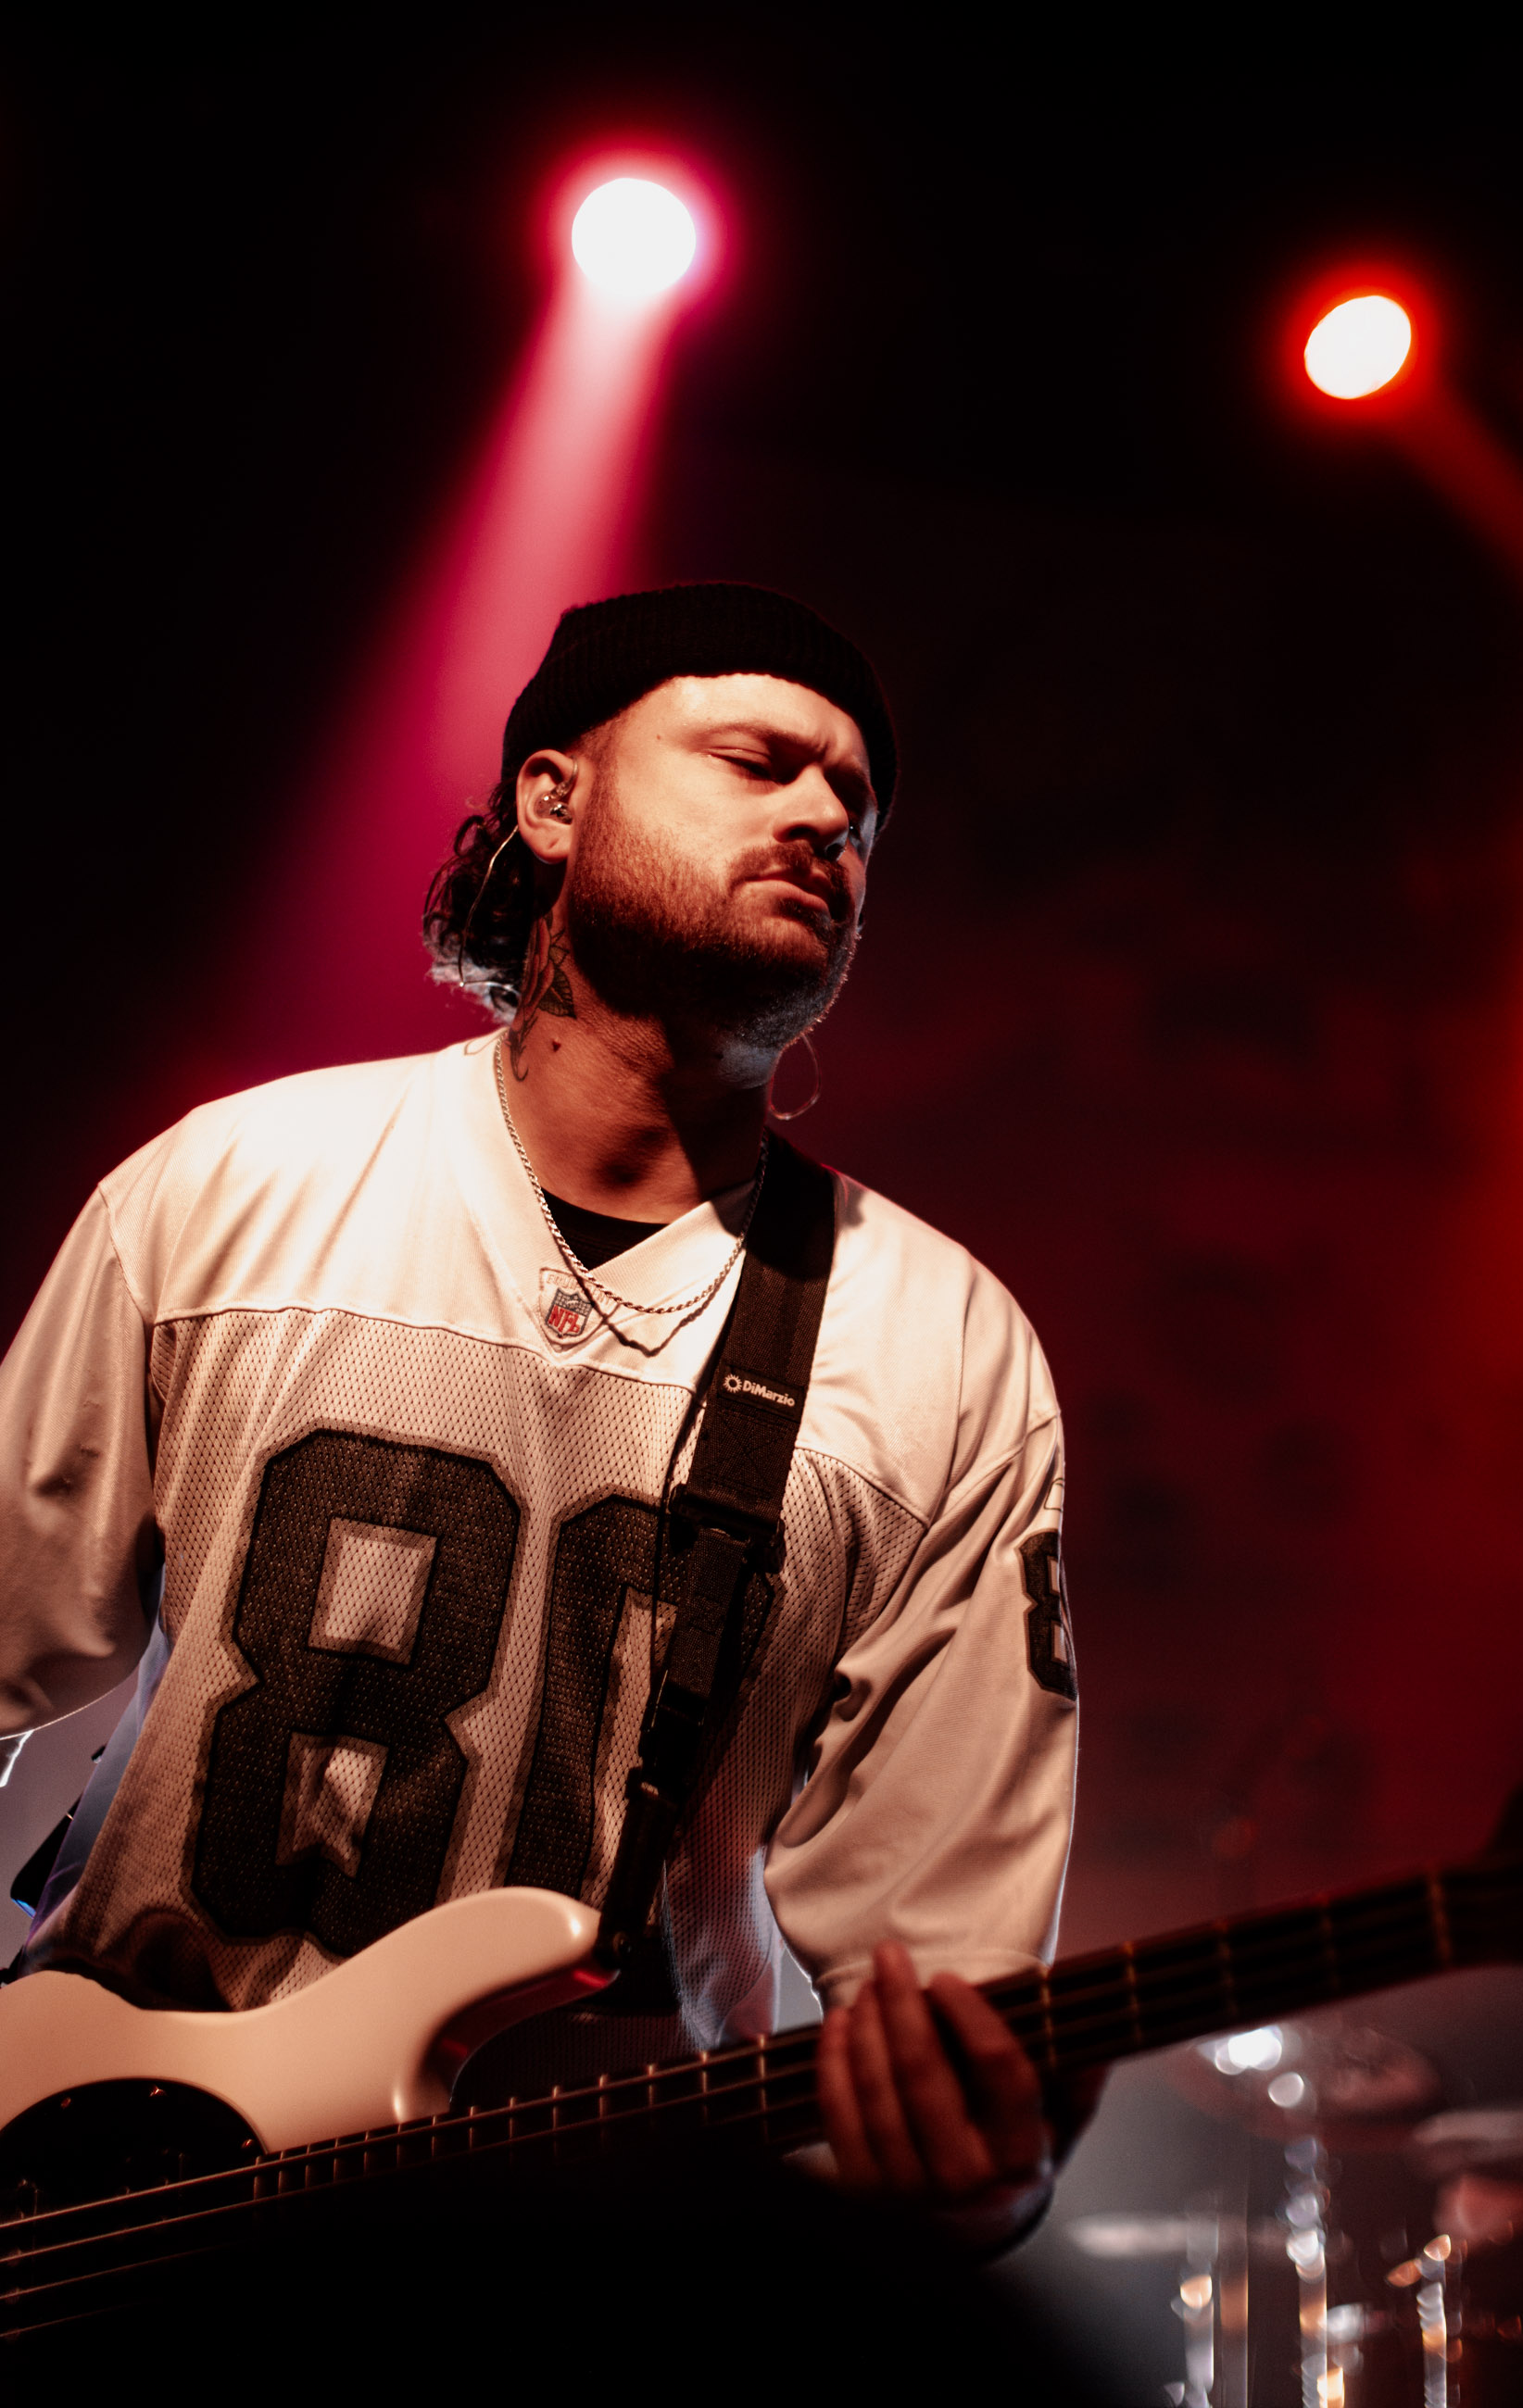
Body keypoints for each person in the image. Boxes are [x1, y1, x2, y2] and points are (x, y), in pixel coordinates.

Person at [0, 583, 1080, 2247]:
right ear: (552, 798)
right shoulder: (227, 1187)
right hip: (88, 2208)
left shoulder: (944, 1348)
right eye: (756, 759)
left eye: (856, 806)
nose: (822, 819)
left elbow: (936, 1967)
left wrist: (977, 2166)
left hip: (594, 2260)